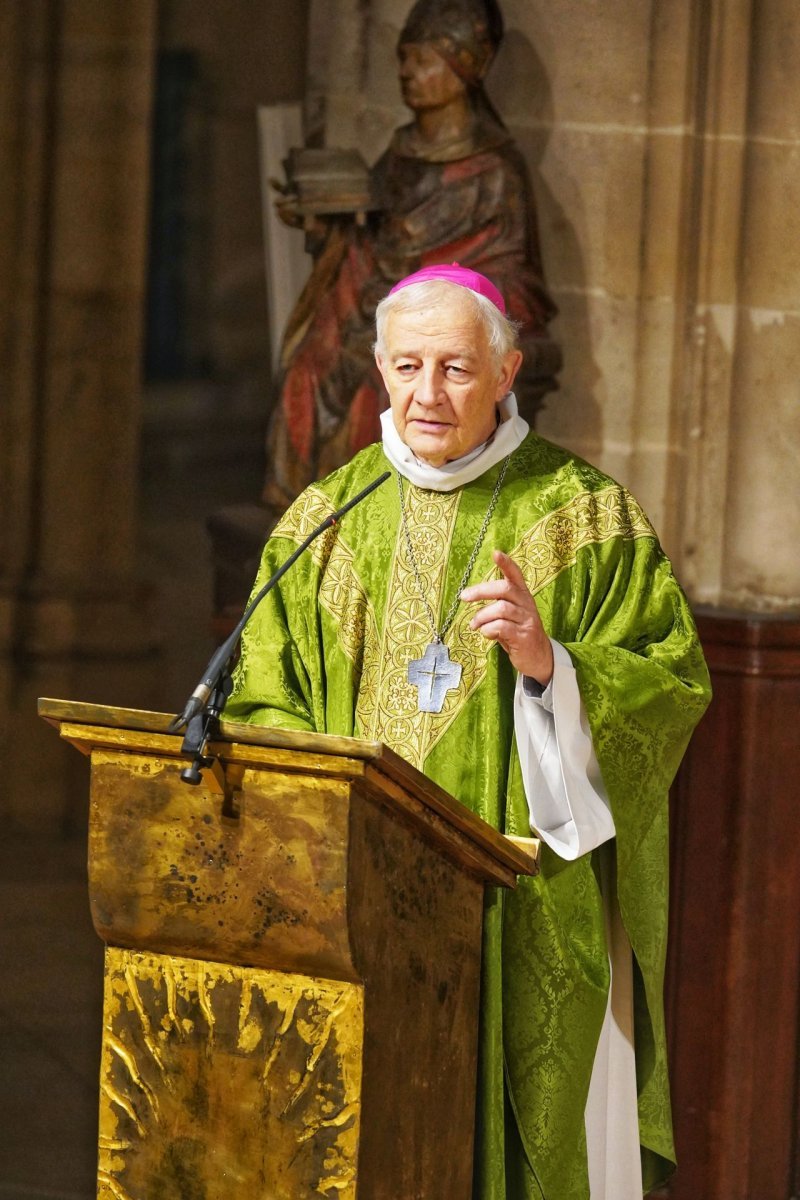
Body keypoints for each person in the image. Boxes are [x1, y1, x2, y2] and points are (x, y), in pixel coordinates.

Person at [229, 263, 712, 1199]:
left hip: (530, 910)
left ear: (505, 372)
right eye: (407, 366)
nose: (428, 393)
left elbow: (669, 684)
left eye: (455, 368)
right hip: (355, 913)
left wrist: (552, 666)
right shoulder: (325, 521)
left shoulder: (587, 518)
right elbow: (261, 699)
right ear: (379, 368)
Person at [264, 0, 560, 509]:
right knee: (307, 368)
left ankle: (378, 508)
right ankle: (312, 510)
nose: (406, 72)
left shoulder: (496, 170)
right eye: (403, 58)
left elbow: (516, 279)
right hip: (372, 308)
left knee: (383, 386)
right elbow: (369, 237)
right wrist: (324, 223)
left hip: (436, 329)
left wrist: (434, 294)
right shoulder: (400, 154)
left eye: (422, 60)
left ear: (464, 70)